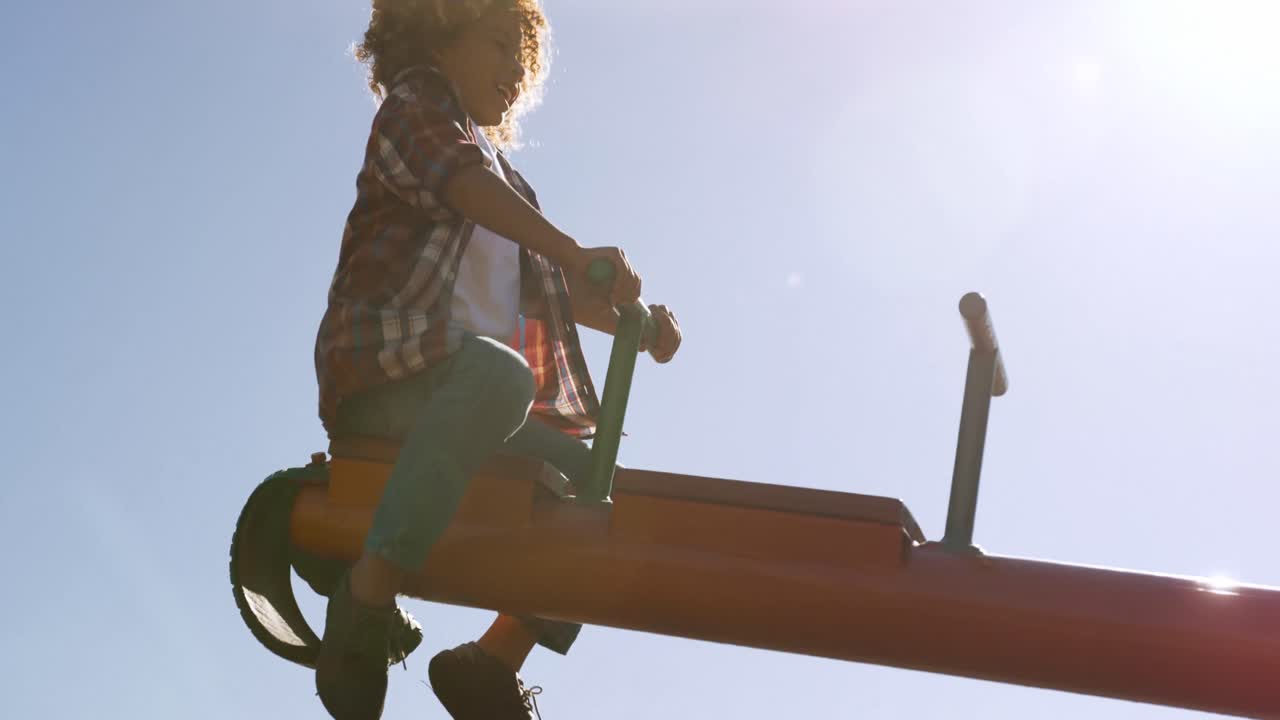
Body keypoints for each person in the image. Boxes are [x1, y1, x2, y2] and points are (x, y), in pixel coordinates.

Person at [311, 1, 682, 718]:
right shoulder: (414, 109)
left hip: (473, 400)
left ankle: (491, 660)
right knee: (500, 374)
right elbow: (460, 183)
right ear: (441, 34)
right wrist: (571, 249)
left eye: (523, 61)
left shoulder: (510, 185)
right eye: (499, 47)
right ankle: (367, 597)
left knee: (598, 482)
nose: (515, 71)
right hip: (386, 378)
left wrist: (633, 328)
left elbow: (551, 296)